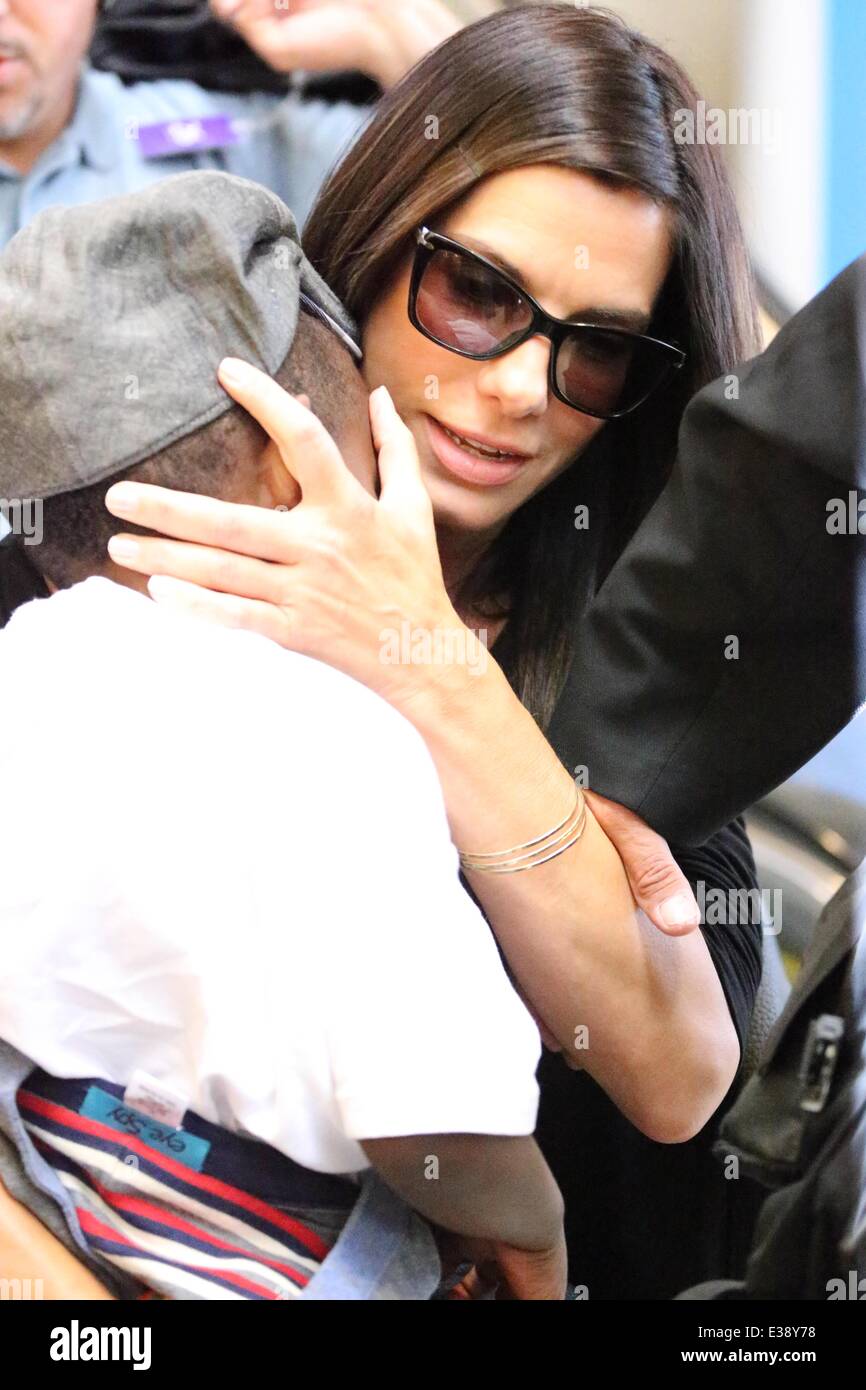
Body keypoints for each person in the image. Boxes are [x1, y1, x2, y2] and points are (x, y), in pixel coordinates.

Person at [100, 6, 768, 1296]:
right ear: (367, 242)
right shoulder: (147, 535)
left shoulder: (641, 657)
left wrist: (424, 661)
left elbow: (678, 1074)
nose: (523, 387)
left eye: (599, 349)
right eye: (476, 292)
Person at [0, 171, 566, 1301]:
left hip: (52, 1194)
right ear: (283, 465)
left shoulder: (18, 670)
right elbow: (431, 1120)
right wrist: (535, 1231)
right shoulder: (336, 739)